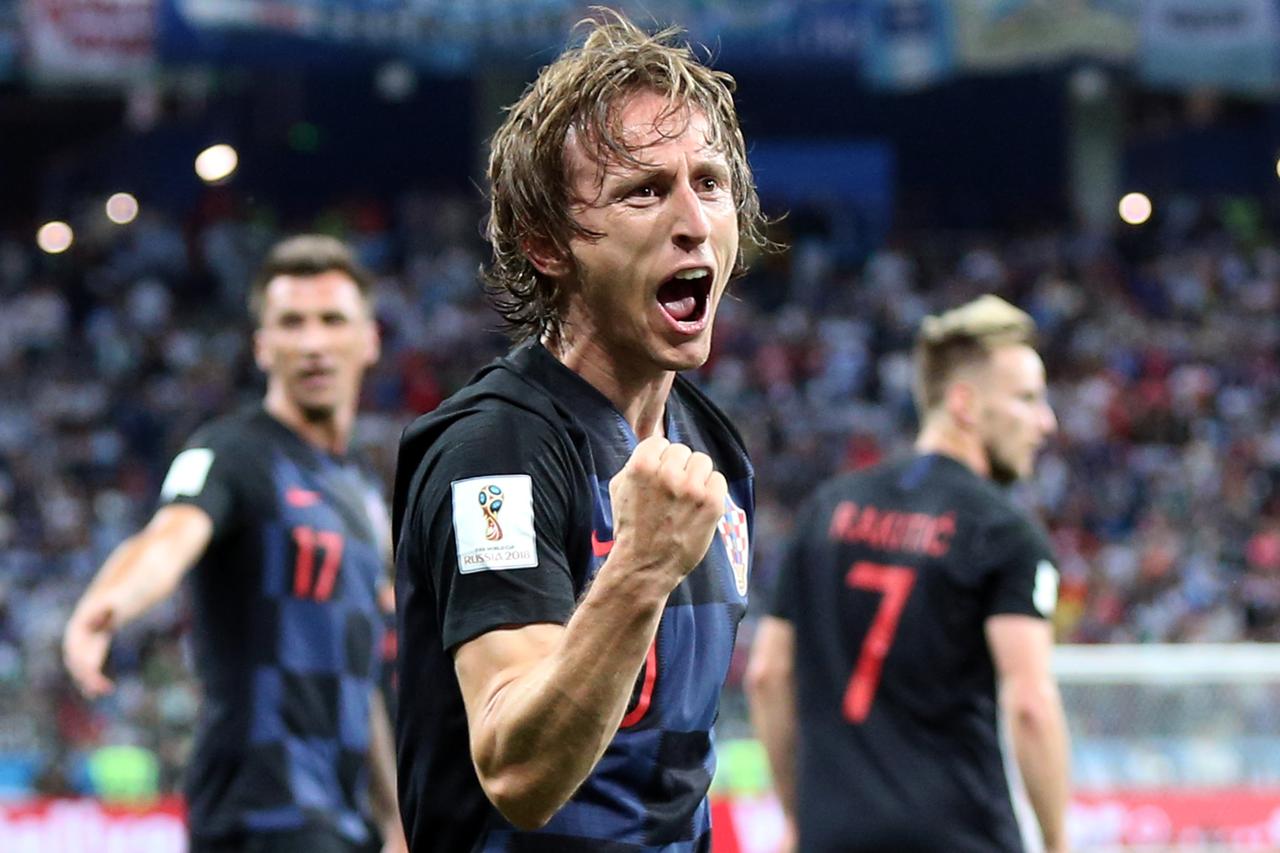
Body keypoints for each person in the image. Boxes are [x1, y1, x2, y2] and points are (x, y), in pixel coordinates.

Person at [391, 9, 770, 852]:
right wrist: (639, 570)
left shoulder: (714, 447)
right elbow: (517, 773)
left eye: (709, 182)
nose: (693, 220)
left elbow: (669, 776)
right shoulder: (494, 453)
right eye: (644, 191)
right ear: (548, 246)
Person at [63, 235, 408, 853]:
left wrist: (393, 823)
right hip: (258, 813)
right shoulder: (231, 453)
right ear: (262, 346)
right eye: (291, 323)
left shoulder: (360, 490)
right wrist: (108, 601)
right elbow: (169, 535)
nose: (313, 342)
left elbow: (364, 677)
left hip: (344, 825)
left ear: (369, 339)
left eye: (332, 320)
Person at [746, 294, 1071, 853]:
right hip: (958, 837)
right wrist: (1059, 843)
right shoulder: (1003, 532)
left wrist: (800, 818)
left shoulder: (827, 510)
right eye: (1027, 399)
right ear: (964, 403)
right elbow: (1031, 706)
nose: (1047, 422)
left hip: (832, 837)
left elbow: (767, 676)